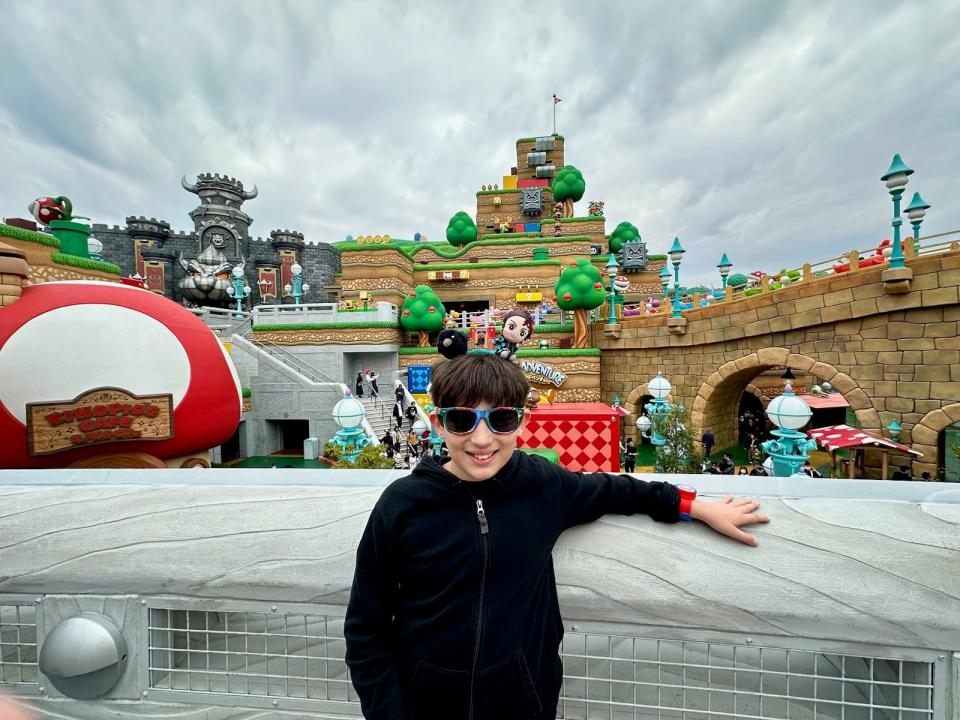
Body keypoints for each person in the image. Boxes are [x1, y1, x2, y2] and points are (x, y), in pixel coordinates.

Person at [344, 353, 768, 720]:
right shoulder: (403, 504)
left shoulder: (541, 485)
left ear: (521, 422)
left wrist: (695, 506)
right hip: (423, 706)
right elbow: (366, 626)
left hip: (523, 702)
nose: (481, 438)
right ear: (438, 424)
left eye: (501, 419)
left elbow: (615, 489)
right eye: (461, 419)